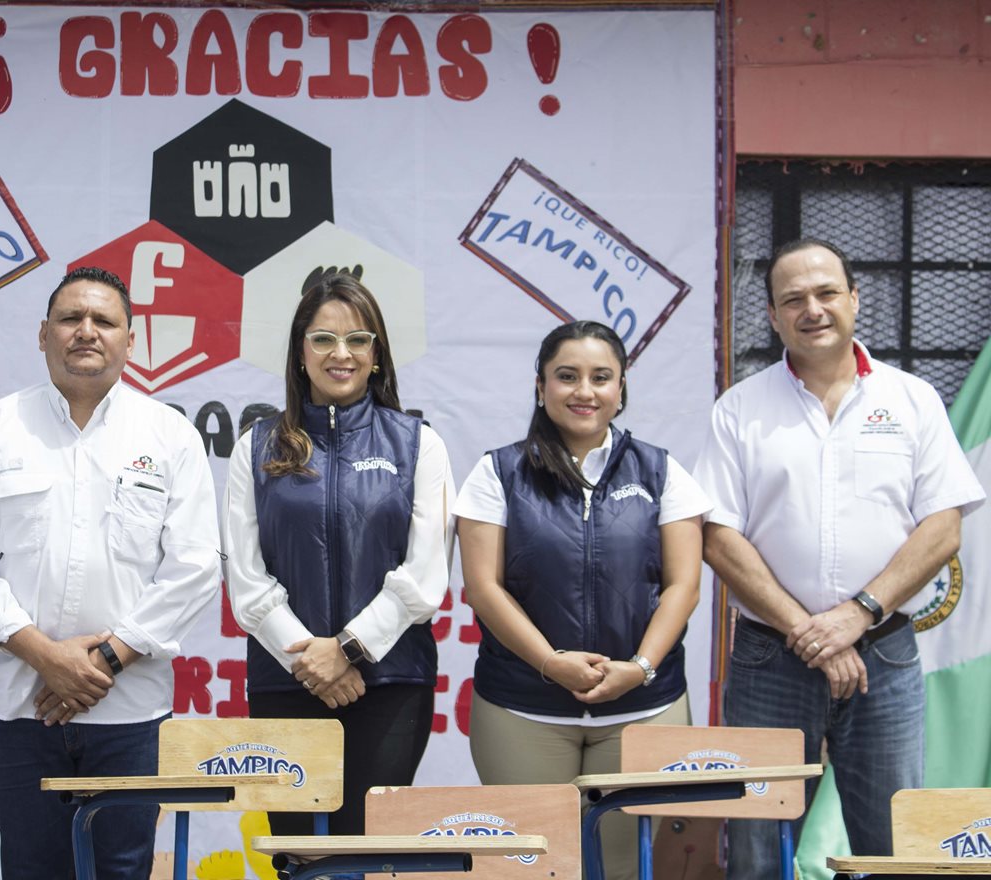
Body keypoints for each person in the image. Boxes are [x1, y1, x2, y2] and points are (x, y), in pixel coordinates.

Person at [693, 238, 986, 876]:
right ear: (772, 316)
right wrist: (809, 631)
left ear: (855, 298)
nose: (813, 309)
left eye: (827, 293)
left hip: (884, 648)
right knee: (757, 850)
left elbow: (942, 529)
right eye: (793, 299)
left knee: (890, 846)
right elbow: (718, 536)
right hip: (772, 655)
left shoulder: (912, 400)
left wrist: (856, 615)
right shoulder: (740, 410)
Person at [0, 266, 221, 880]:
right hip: (20, 706)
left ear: (130, 339)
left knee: (122, 871)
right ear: (43, 334)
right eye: (70, 319)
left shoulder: (168, 435)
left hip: (130, 711)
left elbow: (196, 566)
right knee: (33, 870)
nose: (85, 332)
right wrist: (45, 656)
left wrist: (106, 660)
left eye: (104, 321)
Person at [455, 319, 710, 880]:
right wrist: (551, 663)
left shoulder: (664, 472)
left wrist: (639, 669)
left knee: (627, 868)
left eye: (601, 377)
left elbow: (683, 586)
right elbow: (483, 588)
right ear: (541, 387)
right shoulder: (495, 473)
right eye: (566, 376)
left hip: (644, 708)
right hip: (523, 709)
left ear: (622, 389)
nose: (584, 391)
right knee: (531, 867)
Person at [224, 271, 453, 836]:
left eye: (358, 339)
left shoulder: (419, 442)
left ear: (377, 354)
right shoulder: (256, 445)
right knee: (299, 859)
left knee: (373, 855)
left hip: (391, 683)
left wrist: (349, 650)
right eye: (323, 339)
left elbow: (425, 576)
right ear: (301, 352)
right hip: (288, 680)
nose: (340, 353)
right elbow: (246, 578)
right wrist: (311, 662)